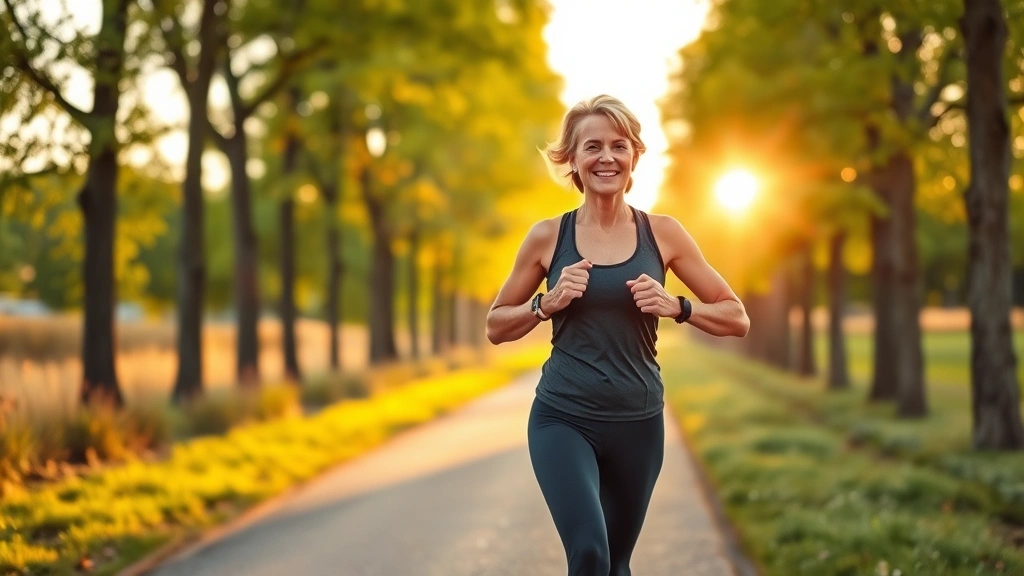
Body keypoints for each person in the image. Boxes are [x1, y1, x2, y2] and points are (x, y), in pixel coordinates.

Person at [485, 94, 750, 576]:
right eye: (592, 146)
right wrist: (545, 303)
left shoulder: (663, 234)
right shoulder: (548, 237)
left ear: (634, 157)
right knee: (589, 552)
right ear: (572, 160)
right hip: (563, 417)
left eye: (618, 145)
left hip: (638, 420)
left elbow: (736, 316)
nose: (606, 157)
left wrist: (679, 307)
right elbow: (496, 324)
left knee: (616, 564)